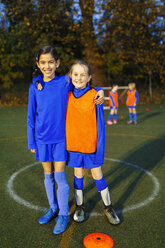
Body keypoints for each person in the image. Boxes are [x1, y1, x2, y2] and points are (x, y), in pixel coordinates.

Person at [27, 46, 104, 235]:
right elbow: (31, 116)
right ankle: (53, 208)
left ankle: (62, 214)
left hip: (61, 139)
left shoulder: (64, 82)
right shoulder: (34, 86)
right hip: (42, 139)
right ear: (38, 64)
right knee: (48, 175)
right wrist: (32, 142)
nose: (47, 66)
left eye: (51, 62)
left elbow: (83, 82)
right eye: (43, 63)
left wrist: (100, 90)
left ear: (57, 63)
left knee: (60, 176)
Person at [66, 61, 120, 225]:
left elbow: (97, 92)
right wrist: (36, 82)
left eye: (83, 75)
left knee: (97, 174)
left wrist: (100, 90)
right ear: (70, 76)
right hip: (74, 145)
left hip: (90, 145)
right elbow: (49, 81)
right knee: (78, 173)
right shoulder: (66, 95)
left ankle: (108, 207)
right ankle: (80, 206)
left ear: (89, 77)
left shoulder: (95, 95)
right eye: (75, 74)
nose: (79, 78)